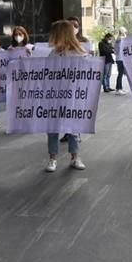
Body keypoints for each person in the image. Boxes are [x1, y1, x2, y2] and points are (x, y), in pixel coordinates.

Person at [45, 20, 88, 172]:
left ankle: (75, 157)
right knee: (52, 128)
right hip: (54, 97)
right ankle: (53, 158)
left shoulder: (80, 53)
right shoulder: (53, 54)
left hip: (72, 97)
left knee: (73, 127)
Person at [113, 27, 129, 95]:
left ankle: (119, 88)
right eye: (125, 32)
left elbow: (115, 50)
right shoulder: (121, 40)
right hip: (121, 59)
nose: (125, 34)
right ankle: (118, 88)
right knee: (120, 74)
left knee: (120, 74)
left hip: (119, 58)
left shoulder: (118, 40)